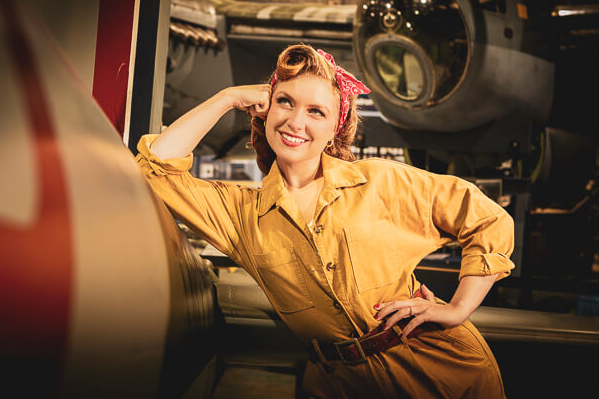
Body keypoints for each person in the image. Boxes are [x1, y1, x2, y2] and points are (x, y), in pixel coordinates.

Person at [135, 43, 515, 398]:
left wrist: (458, 308)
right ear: (266, 109)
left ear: (336, 127)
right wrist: (227, 97)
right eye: (285, 102)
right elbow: (155, 169)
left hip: (443, 371)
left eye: (316, 111)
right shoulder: (241, 216)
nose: (295, 121)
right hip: (341, 384)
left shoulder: (380, 181)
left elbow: (487, 218)